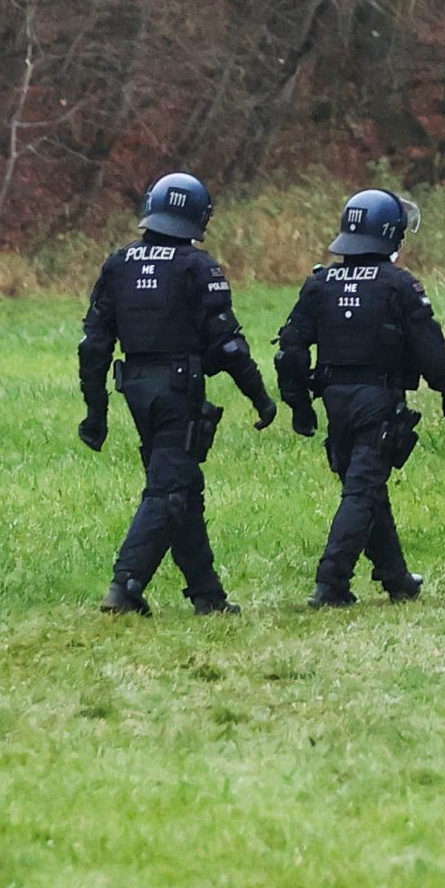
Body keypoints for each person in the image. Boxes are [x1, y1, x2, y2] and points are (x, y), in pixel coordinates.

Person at [77, 171, 276, 615]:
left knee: (183, 486)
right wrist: (260, 397)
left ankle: (207, 595)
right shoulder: (198, 268)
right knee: (168, 489)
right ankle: (125, 587)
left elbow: (94, 345)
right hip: (179, 388)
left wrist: (97, 413)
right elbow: (227, 345)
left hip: (136, 390)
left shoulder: (118, 264)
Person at [275, 187, 445, 608]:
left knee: (367, 486)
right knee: (361, 492)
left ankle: (396, 579)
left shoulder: (320, 283)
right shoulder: (400, 285)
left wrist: (301, 406)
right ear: (391, 233)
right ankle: (332, 582)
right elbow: (429, 349)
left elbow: (289, 351)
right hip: (378, 401)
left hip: (334, 401)